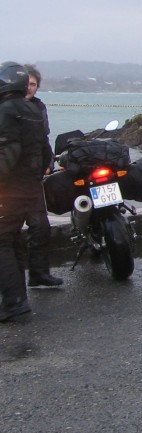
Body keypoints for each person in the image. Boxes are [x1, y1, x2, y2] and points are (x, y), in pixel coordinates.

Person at [0, 62, 51, 321]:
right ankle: (18, 298)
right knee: (14, 242)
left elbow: (8, 152)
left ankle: (14, 302)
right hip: (30, 188)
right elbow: (46, 153)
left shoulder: (7, 111)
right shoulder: (32, 110)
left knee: (3, 242)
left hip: (9, 190)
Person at [18, 64, 61, 287]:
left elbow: (44, 139)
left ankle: (39, 273)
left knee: (40, 226)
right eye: (26, 83)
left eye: (33, 84)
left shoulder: (39, 108)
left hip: (32, 179)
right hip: (10, 179)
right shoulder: (5, 108)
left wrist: (49, 162)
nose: (29, 88)